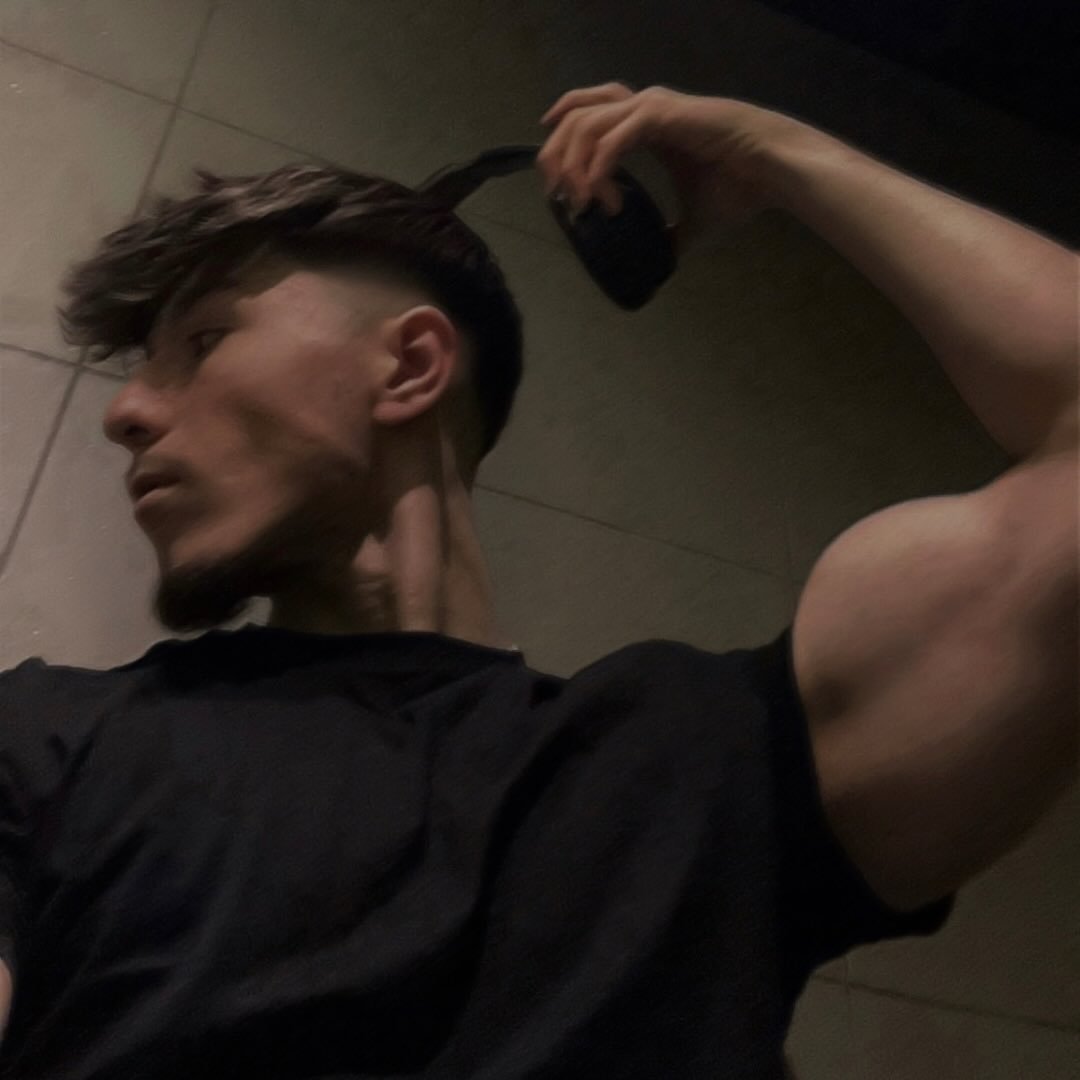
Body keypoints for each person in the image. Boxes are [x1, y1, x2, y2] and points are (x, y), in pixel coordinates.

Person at [0, 81, 1074, 1079]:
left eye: (202, 339)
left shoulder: (708, 766)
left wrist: (773, 152)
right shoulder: (45, 742)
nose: (124, 413)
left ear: (411, 366)